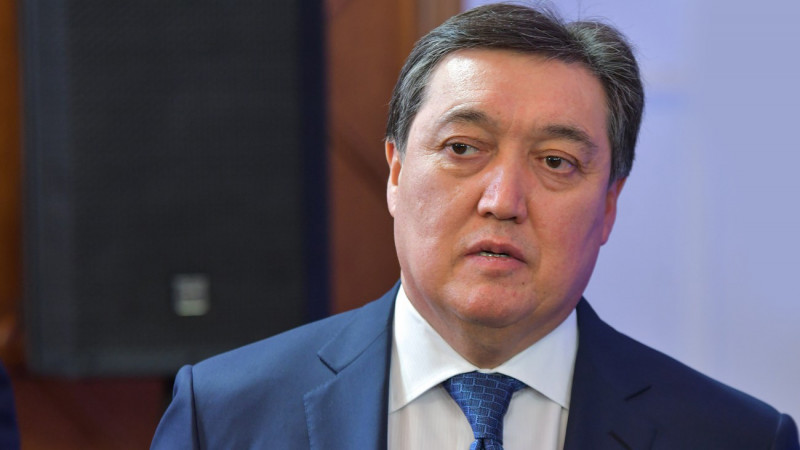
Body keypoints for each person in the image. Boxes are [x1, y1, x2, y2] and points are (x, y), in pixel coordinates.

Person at [151, 4, 799, 449]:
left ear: (608, 206)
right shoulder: (226, 415)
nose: (502, 200)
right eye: (463, 148)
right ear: (396, 174)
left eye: (556, 162)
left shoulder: (735, 437)